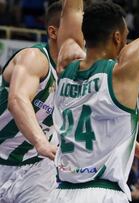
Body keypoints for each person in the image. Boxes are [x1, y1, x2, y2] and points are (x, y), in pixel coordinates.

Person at [49, 0, 139, 202]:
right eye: (127, 37)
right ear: (117, 37)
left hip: (60, 192)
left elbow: (72, 9)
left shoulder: (65, 64)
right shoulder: (121, 74)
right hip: (104, 192)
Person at [0, 2, 62, 202]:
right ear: (53, 32)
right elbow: (17, 100)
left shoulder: (77, 75)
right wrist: (40, 142)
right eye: (78, 31)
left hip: (37, 167)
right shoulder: (34, 57)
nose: (83, 38)